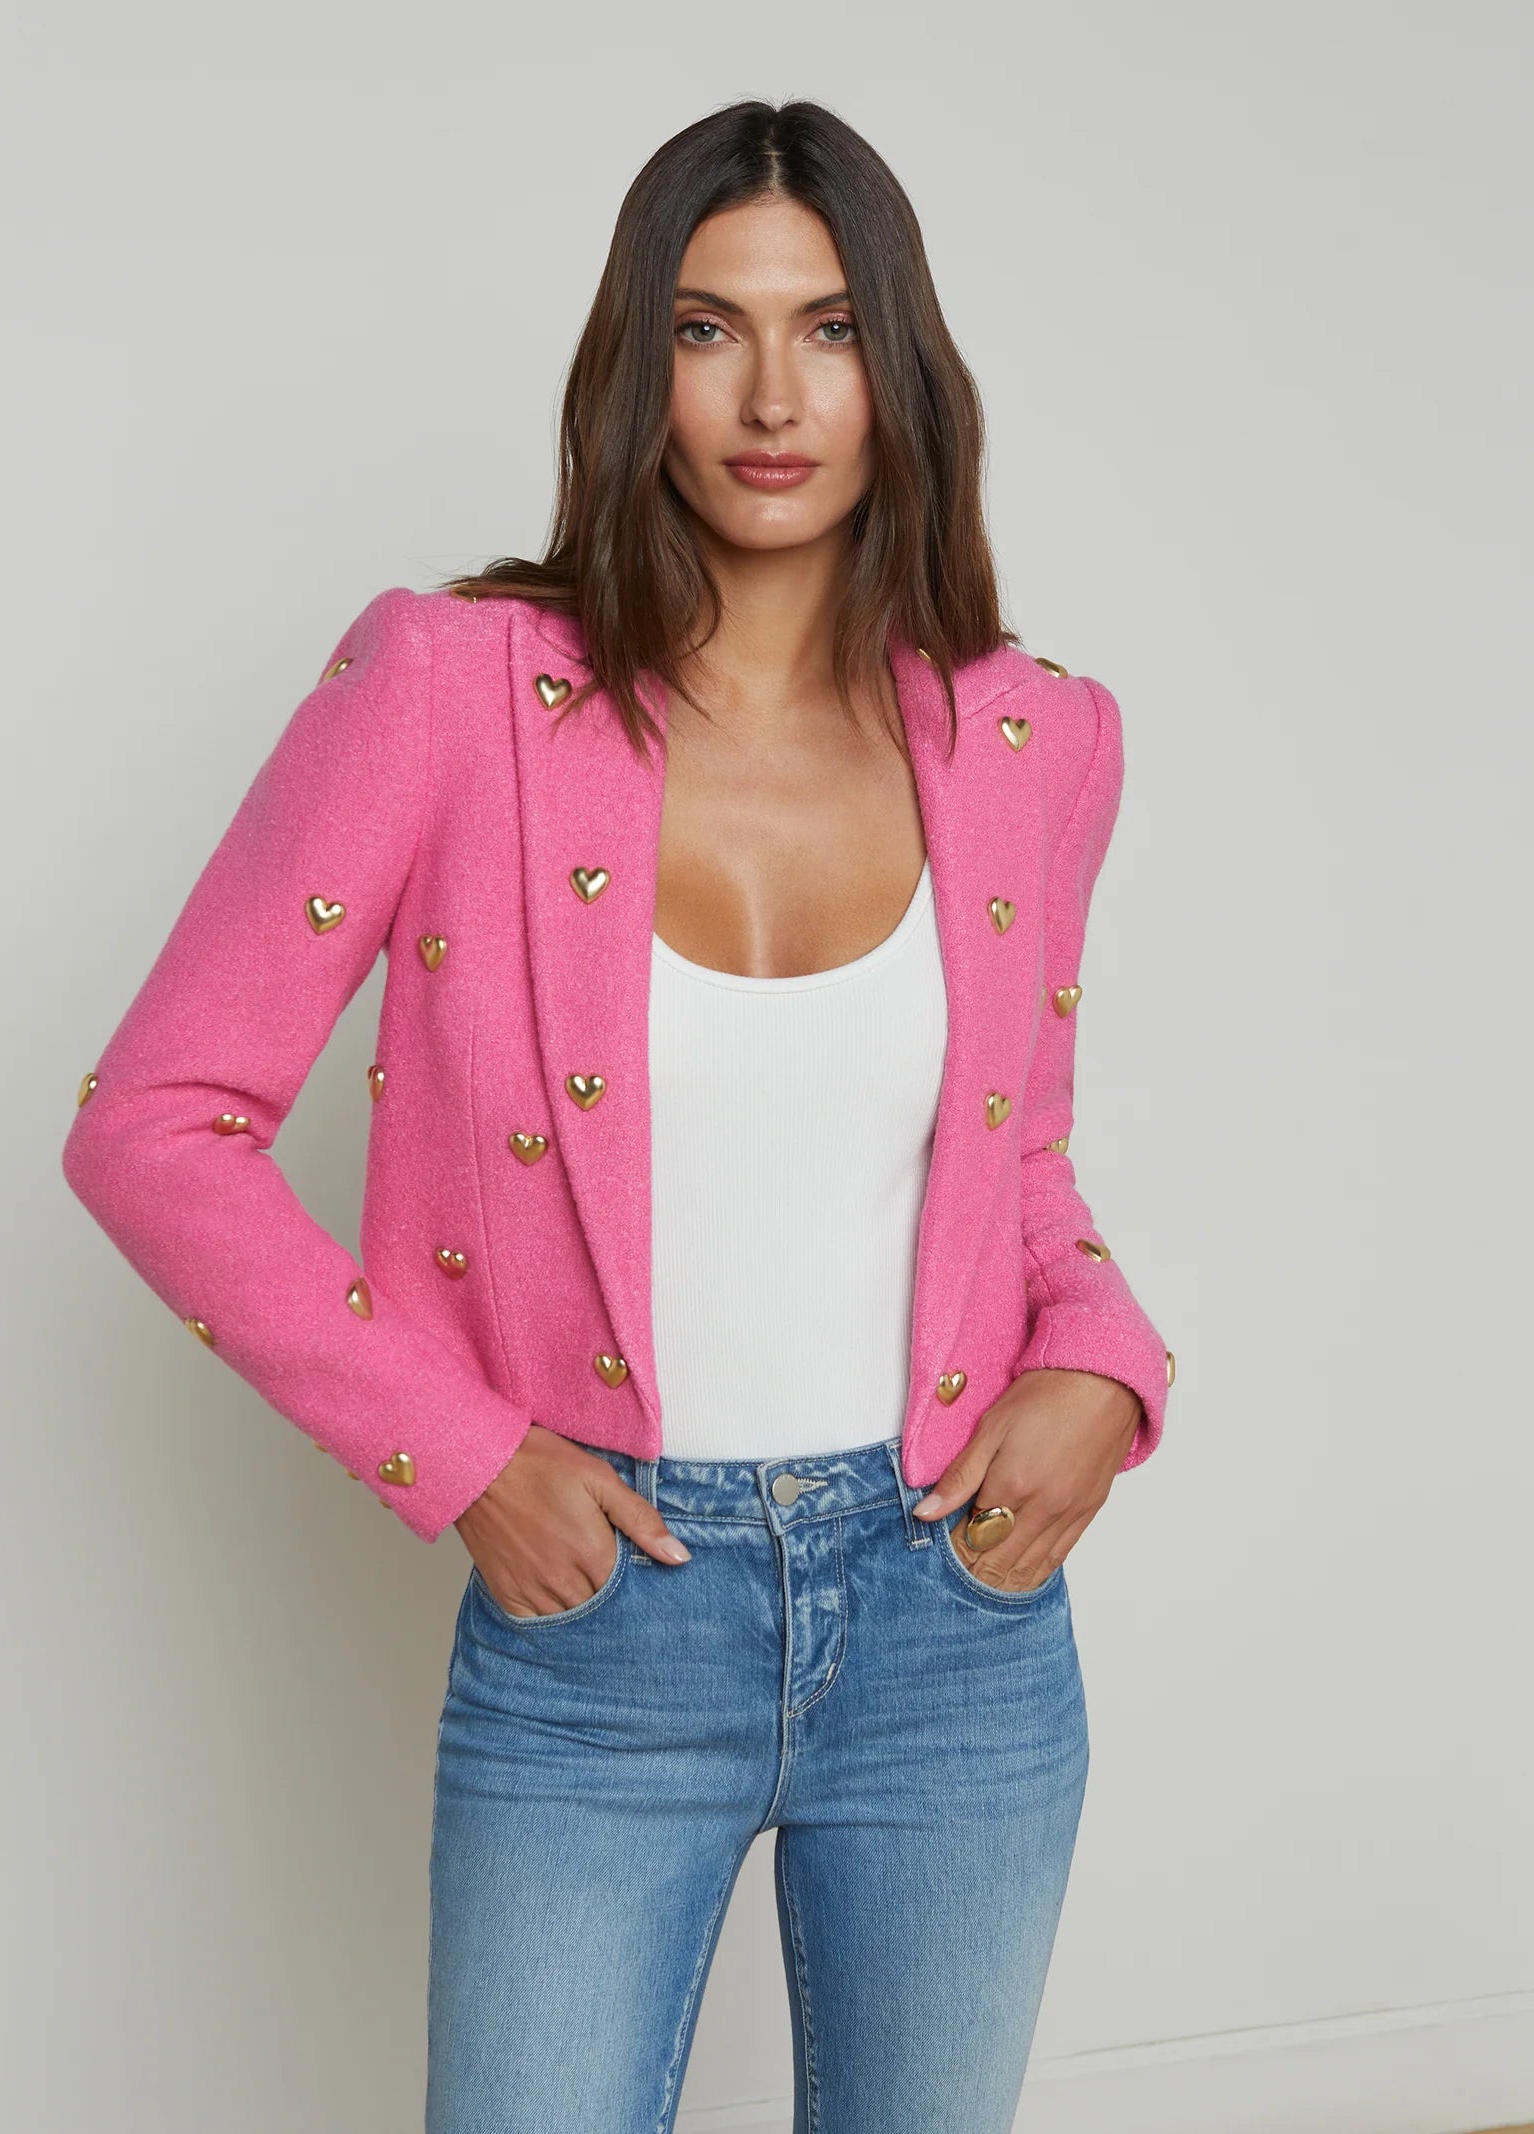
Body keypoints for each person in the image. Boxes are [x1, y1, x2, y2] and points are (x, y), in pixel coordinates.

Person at [63, 96, 1173, 2134]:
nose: (772, 397)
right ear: (632, 365)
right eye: (705, 328)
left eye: (829, 329)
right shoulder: (451, 689)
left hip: (959, 1617)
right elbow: (155, 1116)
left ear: (903, 368)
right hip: (603, 1630)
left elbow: (1013, 1160)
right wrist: (465, 1451)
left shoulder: (1034, 738)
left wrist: (1104, 1359)